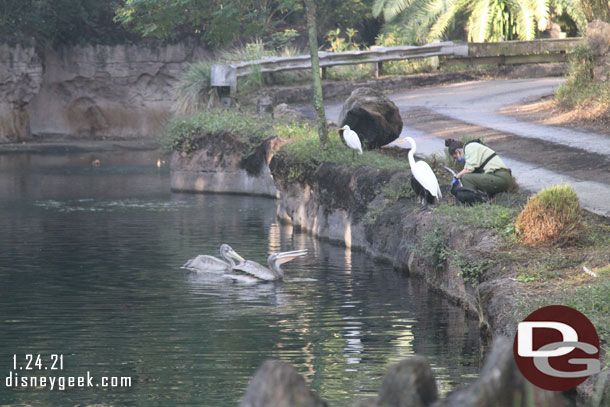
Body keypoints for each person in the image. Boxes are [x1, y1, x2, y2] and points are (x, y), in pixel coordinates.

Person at [445, 138, 511, 196]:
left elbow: (469, 170)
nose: (458, 160)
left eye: (456, 158)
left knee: (466, 178)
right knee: (468, 177)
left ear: (457, 151)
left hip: (500, 177)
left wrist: (456, 177)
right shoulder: (471, 149)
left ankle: (470, 202)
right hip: (499, 177)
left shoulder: (469, 147)